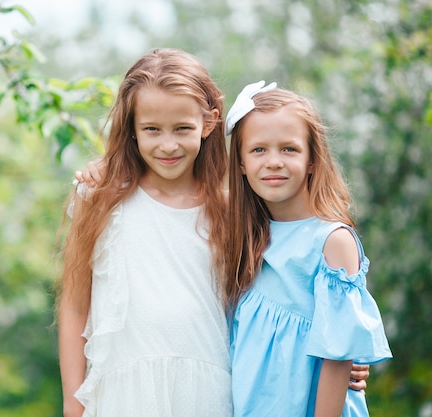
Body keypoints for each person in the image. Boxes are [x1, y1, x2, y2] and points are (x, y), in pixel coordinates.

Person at [58, 48, 232, 417]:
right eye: (151, 129)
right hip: (121, 397)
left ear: (209, 123)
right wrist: (72, 407)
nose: (167, 145)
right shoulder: (99, 198)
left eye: (182, 128)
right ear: (132, 128)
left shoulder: (231, 209)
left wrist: (335, 358)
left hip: (208, 395)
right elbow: (74, 306)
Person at [224, 81, 392, 416]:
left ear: (313, 160)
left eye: (289, 149)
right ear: (240, 163)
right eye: (258, 150)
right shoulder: (242, 234)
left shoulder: (332, 242)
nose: (274, 161)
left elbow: (337, 353)